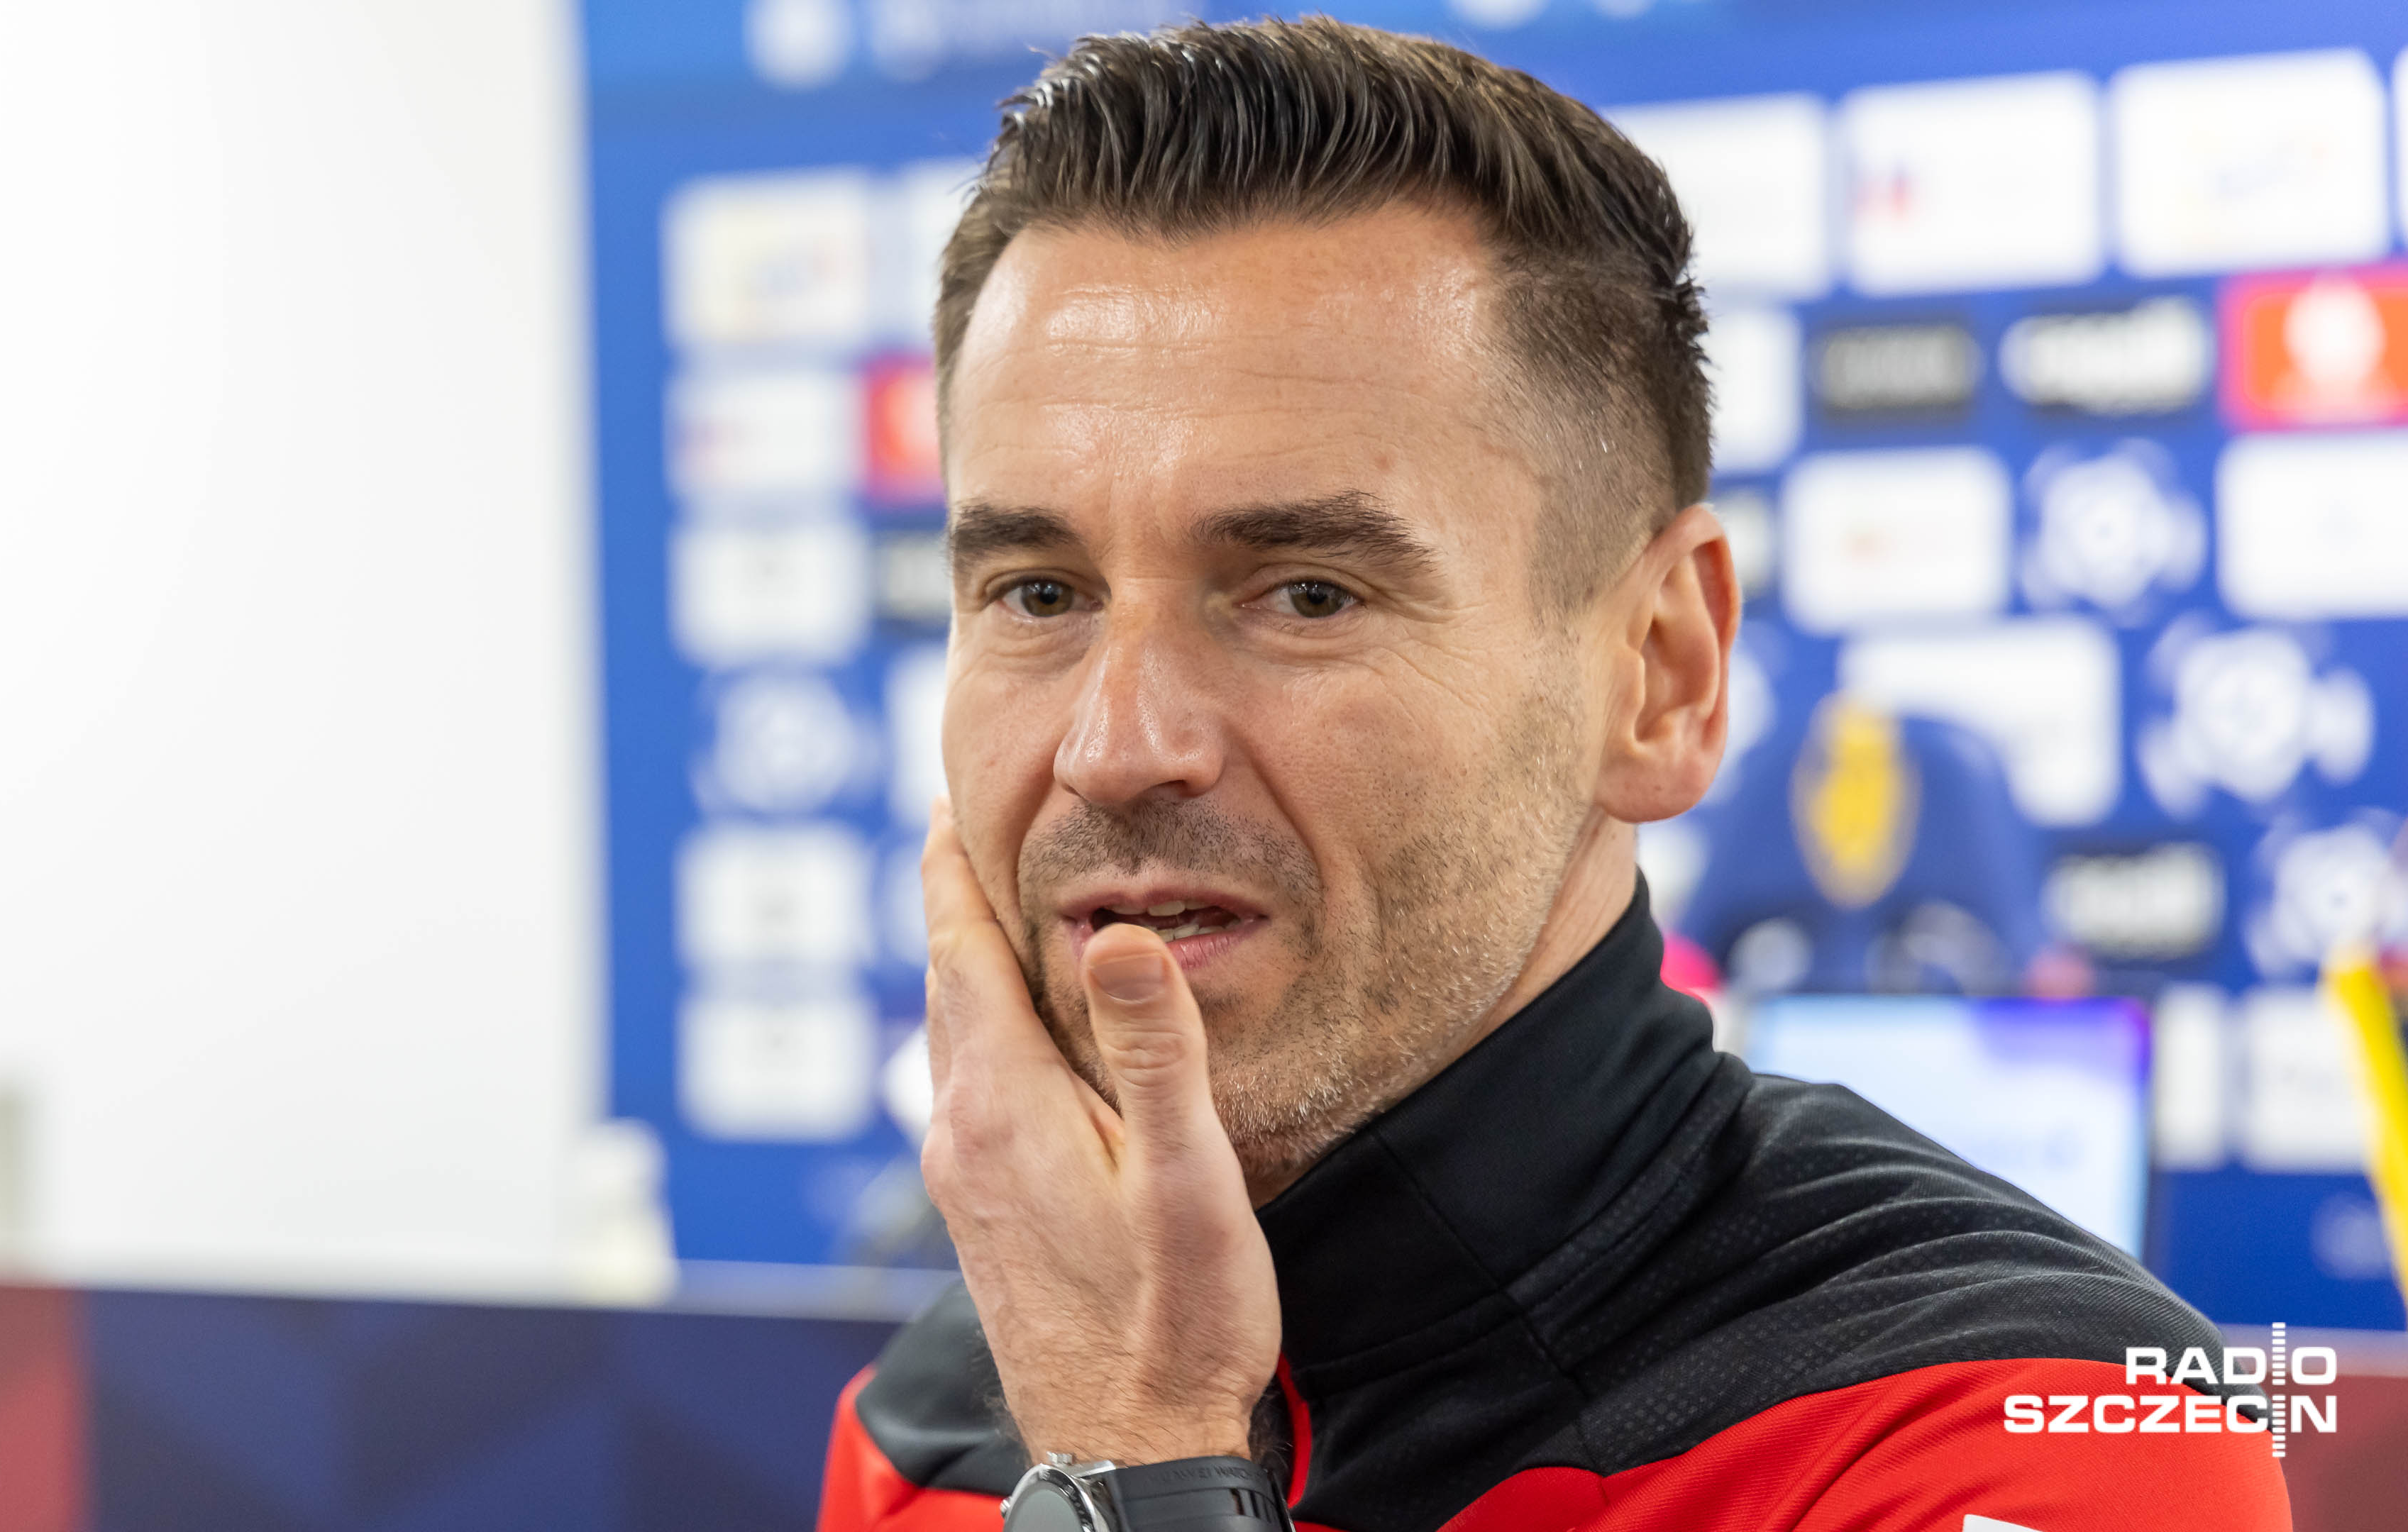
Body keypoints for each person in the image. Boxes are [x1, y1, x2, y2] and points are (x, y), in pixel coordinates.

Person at [817, 18, 2287, 1532]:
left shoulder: (2030, 1420)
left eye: (1308, 595)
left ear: (1658, 673)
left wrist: (1137, 1460)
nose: (1117, 748)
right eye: (1038, 595)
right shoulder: (933, 1426)